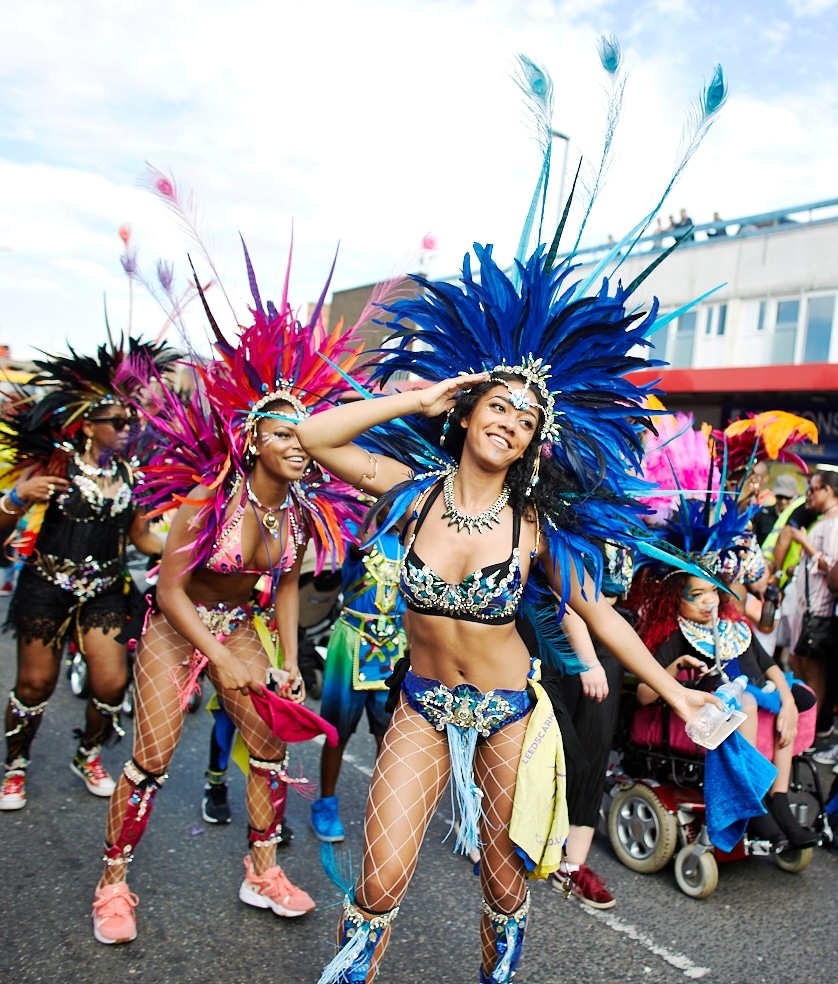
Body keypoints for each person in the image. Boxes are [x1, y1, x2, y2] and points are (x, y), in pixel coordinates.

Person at [91, 240, 367, 945]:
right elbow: (173, 590)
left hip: (238, 621)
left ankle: (263, 870)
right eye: (284, 434)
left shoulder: (300, 512)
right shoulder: (208, 501)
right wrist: (221, 656)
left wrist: (283, 661)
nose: (299, 444)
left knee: (271, 745)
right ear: (252, 443)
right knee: (153, 756)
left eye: (303, 434)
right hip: (177, 623)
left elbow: (285, 589)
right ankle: (113, 883)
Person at [0, 339, 168, 812]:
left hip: (106, 589)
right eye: (117, 421)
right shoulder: (55, 466)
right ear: (89, 426)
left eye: (129, 420)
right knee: (34, 685)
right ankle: (16, 766)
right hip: (46, 586)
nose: (127, 428)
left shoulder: (133, 476)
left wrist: (188, 549)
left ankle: (88, 754)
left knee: (111, 684)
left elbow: (142, 538)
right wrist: (18, 496)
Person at [634, 568, 818, 848]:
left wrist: (789, 703)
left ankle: (778, 800)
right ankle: (750, 798)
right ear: (676, 599)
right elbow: (644, 695)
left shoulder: (736, 630)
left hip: (761, 703)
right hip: (723, 708)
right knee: (747, 701)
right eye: (697, 595)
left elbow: (770, 667)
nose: (709, 601)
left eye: (712, 591)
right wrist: (679, 664)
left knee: (799, 696)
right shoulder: (676, 637)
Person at [310, 517, 406, 842]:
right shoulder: (359, 536)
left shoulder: (416, 542)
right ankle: (324, 803)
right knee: (337, 732)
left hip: (394, 650)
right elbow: (352, 553)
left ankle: (384, 811)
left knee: (390, 737)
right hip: (351, 643)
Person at [786, 470, 838, 735]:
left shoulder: (834, 524)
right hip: (808, 607)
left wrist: (806, 544)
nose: (809, 495)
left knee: (812, 669)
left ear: (828, 491)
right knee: (800, 664)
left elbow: (832, 567)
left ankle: (810, 731)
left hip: (820, 608)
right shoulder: (824, 521)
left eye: (814, 489)